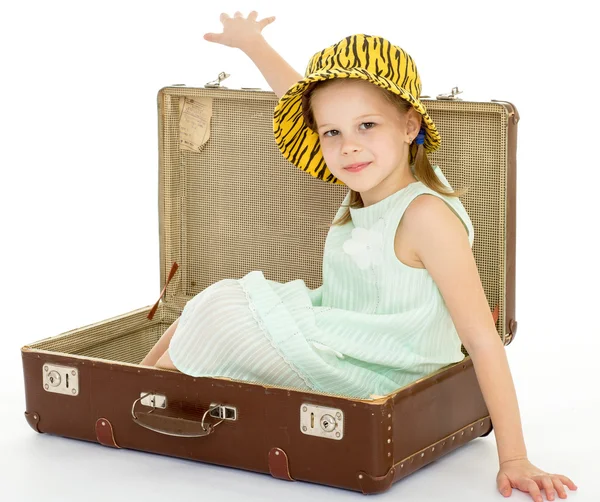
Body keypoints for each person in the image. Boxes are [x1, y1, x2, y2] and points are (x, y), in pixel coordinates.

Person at [140, 11, 577, 502]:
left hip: (380, 370)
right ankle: (139, 387)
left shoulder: (424, 215)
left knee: (220, 308)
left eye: (367, 125)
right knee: (217, 298)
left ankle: (146, 392)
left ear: (409, 125)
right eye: (332, 134)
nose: (348, 147)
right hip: (341, 340)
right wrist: (252, 45)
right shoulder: (364, 183)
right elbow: (303, 102)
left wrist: (514, 457)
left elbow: (482, 338)